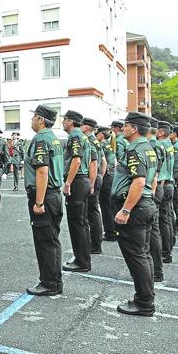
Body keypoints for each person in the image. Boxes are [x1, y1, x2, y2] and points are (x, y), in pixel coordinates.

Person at [111, 112, 157, 317]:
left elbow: (139, 181)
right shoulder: (149, 149)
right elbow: (152, 179)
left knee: (137, 256)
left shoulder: (135, 150)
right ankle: (144, 298)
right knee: (144, 255)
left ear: (135, 128)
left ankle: (145, 302)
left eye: (126, 125)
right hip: (145, 205)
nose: (123, 128)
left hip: (135, 209)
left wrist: (126, 209)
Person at [24, 105, 64, 296]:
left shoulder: (41, 139)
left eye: (33, 117)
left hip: (44, 196)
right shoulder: (53, 138)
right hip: (54, 194)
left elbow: (42, 171)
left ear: (40, 119)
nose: (31, 120)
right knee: (52, 240)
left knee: (45, 242)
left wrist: (38, 202)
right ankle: (54, 281)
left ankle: (49, 283)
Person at [61, 110, 92, 272]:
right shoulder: (83, 136)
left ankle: (81, 262)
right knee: (82, 222)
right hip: (84, 180)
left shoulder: (75, 136)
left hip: (77, 181)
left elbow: (76, 159)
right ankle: (83, 258)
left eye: (64, 120)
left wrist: (67, 183)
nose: (63, 122)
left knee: (76, 224)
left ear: (70, 122)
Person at [146, 117, 166, 282]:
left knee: (153, 232)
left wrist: (150, 194)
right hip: (158, 187)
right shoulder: (159, 145)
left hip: (153, 189)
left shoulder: (152, 145)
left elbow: (154, 174)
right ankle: (156, 270)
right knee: (155, 231)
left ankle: (157, 272)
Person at [82, 118, 105, 255]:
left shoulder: (90, 140)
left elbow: (94, 163)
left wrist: (92, 182)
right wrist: (101, 176)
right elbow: (104, 161)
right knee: (94, 211)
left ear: (85, 128)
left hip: (93, 177)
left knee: (92, 211)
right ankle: (96, 243)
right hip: (97, 177)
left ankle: (95, 244)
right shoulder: (95, 140)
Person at [156, 121, 175, 264]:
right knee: (167, 219)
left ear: (161, 132)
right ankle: (168, 251)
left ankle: (165, 252)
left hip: (163, 184)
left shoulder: (161, 145)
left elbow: (160, 170)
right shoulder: (170, 145)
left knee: (162, 220)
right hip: (170, 183)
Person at [97, 126, 117, 242]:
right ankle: (113, 230)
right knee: (109, 205)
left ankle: (110, 232)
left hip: (107, 176)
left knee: (105, 206)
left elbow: (103, 163)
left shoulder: (101, 145)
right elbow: (115, 162)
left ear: (101, 134)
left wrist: (101, 177)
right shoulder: (109, 145)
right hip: (112, 175)